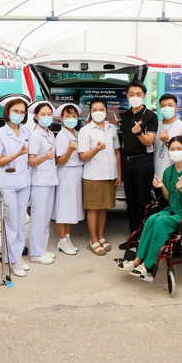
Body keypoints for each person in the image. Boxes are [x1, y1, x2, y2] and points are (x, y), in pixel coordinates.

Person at [119, 136, 182, 278]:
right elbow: (169, 198)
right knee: (151, 219)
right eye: (172, 149)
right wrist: (162, 186)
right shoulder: (168, 171)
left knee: (160, 222)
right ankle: (137, 259)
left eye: (179, 149)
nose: (175, 152)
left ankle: (148, 264)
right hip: (172, 210)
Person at [0, 94, 32, 277]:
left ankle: (17, 255)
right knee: (11, 223)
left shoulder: (26, 132)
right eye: (16, 111)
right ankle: (12, 260)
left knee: (21, 222)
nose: (19, 115)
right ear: (8, 111)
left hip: (24, 181)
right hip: (7, 183)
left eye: (22, 112)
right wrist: (17, 154)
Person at [78, 99, 122, 255]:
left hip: (110, 175)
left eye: (101, 109)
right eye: (95, 109)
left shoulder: (112, 128)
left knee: (104, 207)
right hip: (93, 176)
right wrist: (96, 150)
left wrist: (119, 173)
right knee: (93, 208)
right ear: (90, 112)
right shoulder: (85, 130)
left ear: (106, 111)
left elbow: (117, 152)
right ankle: (93, 239)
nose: (98, 112)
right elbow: (83, 156)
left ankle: (101, 236)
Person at [118, 81, 157, 248]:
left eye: (138, 94)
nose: (135, 97)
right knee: (131, 203)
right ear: (127, 96)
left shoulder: (150, 116)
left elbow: (149, 141)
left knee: (144, 203)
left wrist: (139, 132)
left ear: (144, 96)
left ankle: (145, 239)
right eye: (131, 94)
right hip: (127, 162)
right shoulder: (125, 116)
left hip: (143, 162)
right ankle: (133, 237)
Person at [27, 100, 58, 265]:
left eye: (49, 114)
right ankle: (35, 253)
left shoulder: (50, 134)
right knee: (38, 218)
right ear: (36, 117)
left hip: (50, 180)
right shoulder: (35, 136)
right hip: (39, 182)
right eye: (43, 114)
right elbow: (31, 161)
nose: (47, 117)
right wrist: (45, 157)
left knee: (46, 218)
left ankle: (42, 248)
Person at [52, 103, 84, 255]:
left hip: (77, 174)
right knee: (63, 209)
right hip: (66, 174)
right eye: (68, 116)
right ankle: (62, 240)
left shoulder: (77, 133)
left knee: (71, 209)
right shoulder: (61, 136)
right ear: (61, 118)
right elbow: (61, 161)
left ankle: (67, 239)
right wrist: (70, 150)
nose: (71, 118)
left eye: (74, 116)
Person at [153, 94, 182, 181]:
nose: (166, 108)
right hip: (156, 171)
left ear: (176, 108)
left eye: (170, 105)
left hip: (174, 173)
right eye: (163, 106)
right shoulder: (155, 125)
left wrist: (167, 142)